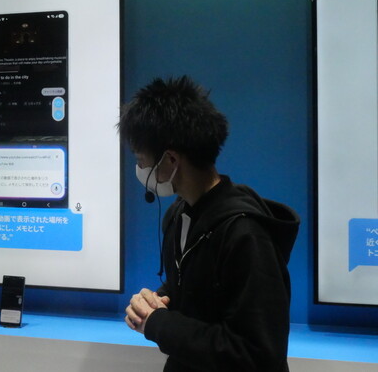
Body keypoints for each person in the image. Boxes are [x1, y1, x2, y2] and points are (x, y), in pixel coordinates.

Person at [118, 76, 299, 372]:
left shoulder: (246, 234)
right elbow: (194, 290)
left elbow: (257, 354)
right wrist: (155, 300)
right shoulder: (177, 216)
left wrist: (159, 324)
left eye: (141, 160)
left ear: (171, 160)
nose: (140, 169)